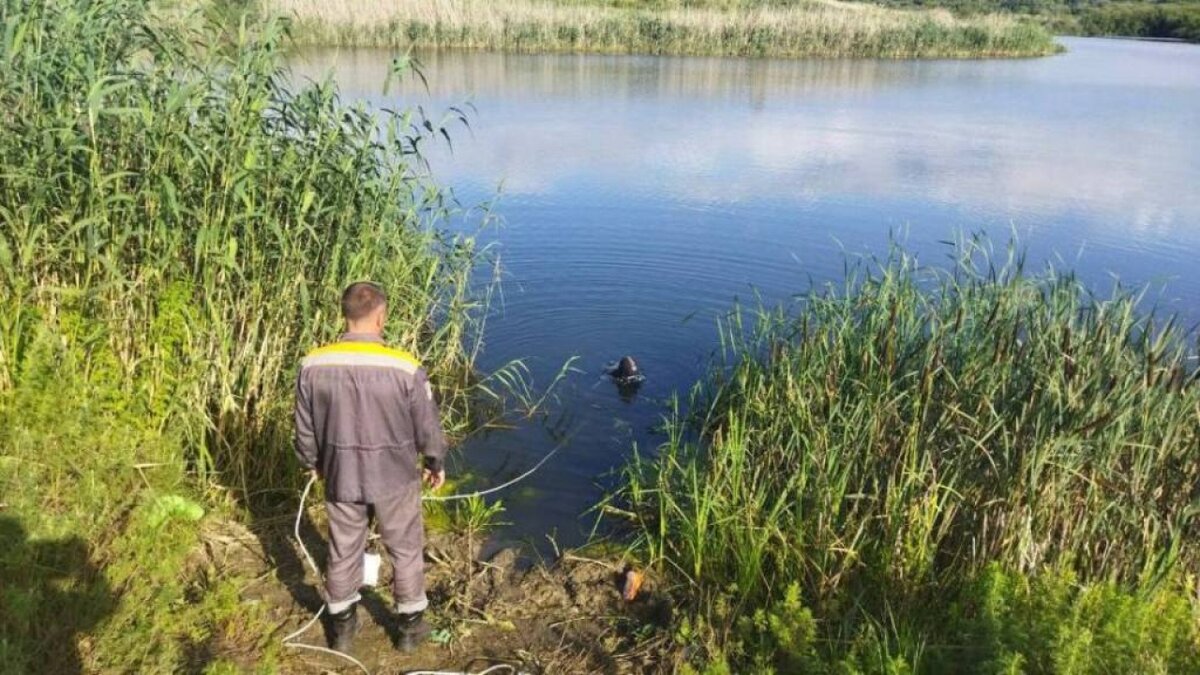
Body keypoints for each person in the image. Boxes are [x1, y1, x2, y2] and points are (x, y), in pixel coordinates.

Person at [294, 281, 448, 653]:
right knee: (405, 548)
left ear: (344, 315)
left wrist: (313, 463)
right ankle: (410, 630)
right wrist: (435, 461)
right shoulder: (405, 367)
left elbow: (304, 428)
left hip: (340, 473)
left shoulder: (312, 364)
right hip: (394, 476)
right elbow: (427, 426)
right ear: (381, 317)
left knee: (343, 546)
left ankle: (342, 627)